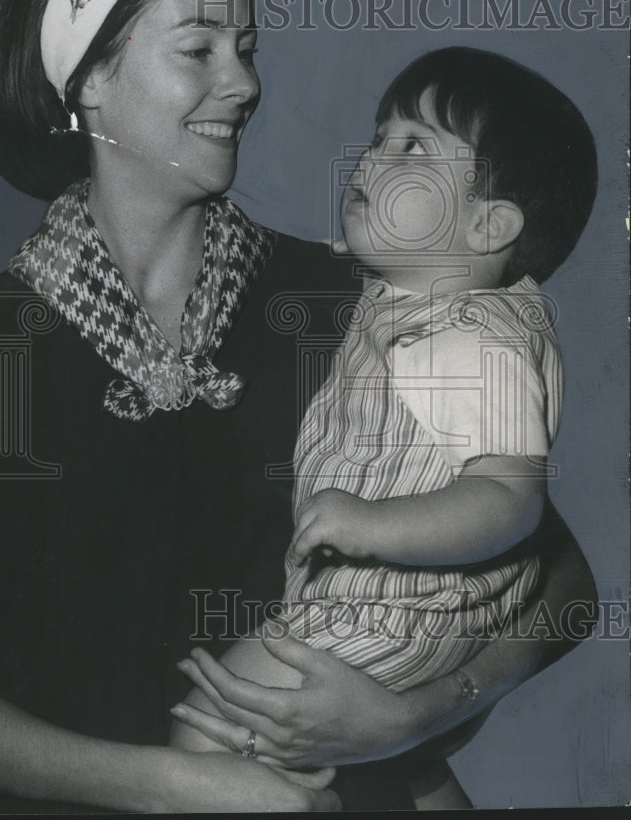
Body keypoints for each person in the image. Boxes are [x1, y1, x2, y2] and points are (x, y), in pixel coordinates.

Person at [0, 0, 596, 815]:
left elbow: (563, 585)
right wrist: (173, 786)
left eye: (247, 49)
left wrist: (414, 715)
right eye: (198, 50)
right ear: (88, 81)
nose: (242, 83)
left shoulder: (355, 304)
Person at [169, 46, 598, 809]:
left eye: (412, 147)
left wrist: (372, 527)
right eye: (379, 135)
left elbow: (516, 509)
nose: (370, 156)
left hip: (396, 611)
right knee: (352, 761)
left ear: (488, 224)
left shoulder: (473, 339)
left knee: (209, 733)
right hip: (383, 617)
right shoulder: (404, 293)